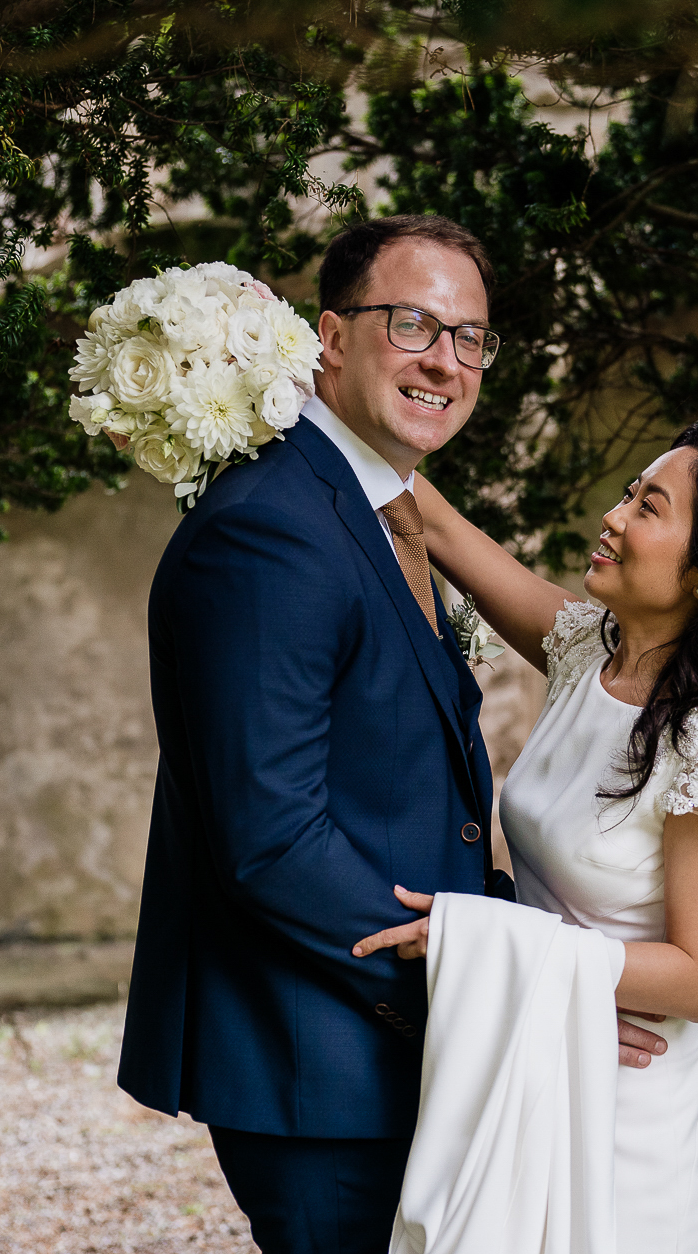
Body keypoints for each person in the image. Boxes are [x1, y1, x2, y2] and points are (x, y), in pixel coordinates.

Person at [115, 213, 665, 1254]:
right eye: (413, 324)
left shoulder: (367, 504)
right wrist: (496, 997)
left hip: (374, 1053)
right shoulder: (273, 528)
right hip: (318, 1060)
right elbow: (271, 838)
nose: (446, 361)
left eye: (470, 338)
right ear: (329, 336)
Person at [356, 418, 698, 1252]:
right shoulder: (587, 652)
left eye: (649, 506)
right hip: (541, 1065)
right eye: (627, 494)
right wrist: (296, 388)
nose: (614, 516)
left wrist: (505, 952)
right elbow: (435, 522)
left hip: (637, 1132)